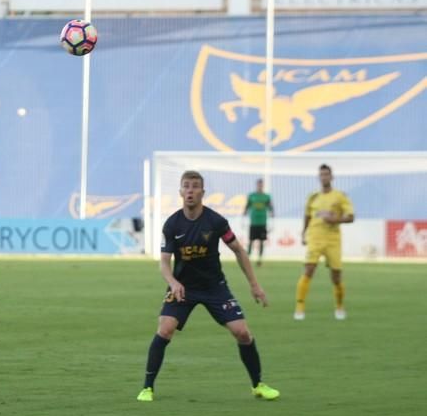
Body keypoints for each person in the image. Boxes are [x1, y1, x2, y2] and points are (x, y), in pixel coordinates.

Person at [137, 170, 280, 402]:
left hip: (215, 287)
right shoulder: (172, 224)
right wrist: (173, 283)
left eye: (195, 187)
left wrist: (255, 285)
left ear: (203, 192)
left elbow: (239, 251)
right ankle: (147, 388)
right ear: (181, 192)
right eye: (186, 186)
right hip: (183, 287)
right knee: (165, 329)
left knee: (242, 333)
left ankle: (258, 385)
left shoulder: (215, 221)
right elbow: (164, 263)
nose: (190, 191)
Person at [294, 164, 354, 321]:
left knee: (336, 276)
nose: (324, 177)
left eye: (327, 174)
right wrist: (303, 232)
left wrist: (335, 219)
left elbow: (351, 217)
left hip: (333, 240)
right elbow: (307, 216)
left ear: (332, 177)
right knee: (309, 269)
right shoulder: (313, 197)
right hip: (315, 237)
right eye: (322, 174)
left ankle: (339, 306)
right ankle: (300, 307)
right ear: (319, 177)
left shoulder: (340, 196)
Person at [244, 178, 274, 267]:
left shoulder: (266, 196)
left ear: (263, 186)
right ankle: (247, 258)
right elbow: (247, 205)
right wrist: (244, 212)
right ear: (257, 185)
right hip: (253, 222)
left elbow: (270, 206)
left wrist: (272, 213)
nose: (260, 186)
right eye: (259, 184)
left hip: (262, 222)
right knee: (251, 240)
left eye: (261, 185)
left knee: (261, 241)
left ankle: (259, 259)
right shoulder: (251, 196)